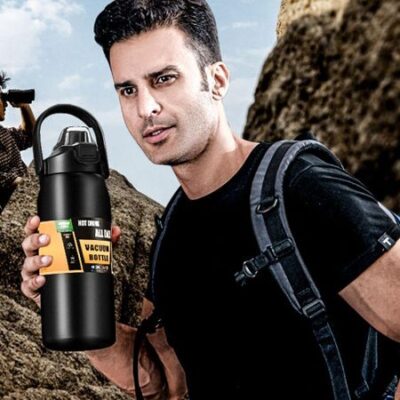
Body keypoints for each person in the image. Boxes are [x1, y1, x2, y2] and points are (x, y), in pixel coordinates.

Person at [20, 1, 400, 399]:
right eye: (128, 90)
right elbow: (166, 384)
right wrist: (71, 310)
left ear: (216, 80)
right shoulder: (172, 232)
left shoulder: (301, 187)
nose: (145, 108)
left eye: (164, 79)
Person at [0, 71, 35, 213]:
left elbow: (29, 136)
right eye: (1, 98)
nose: (6, 104)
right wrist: (23, 183)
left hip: (20, 201)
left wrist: (24, 106)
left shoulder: (4, 134)